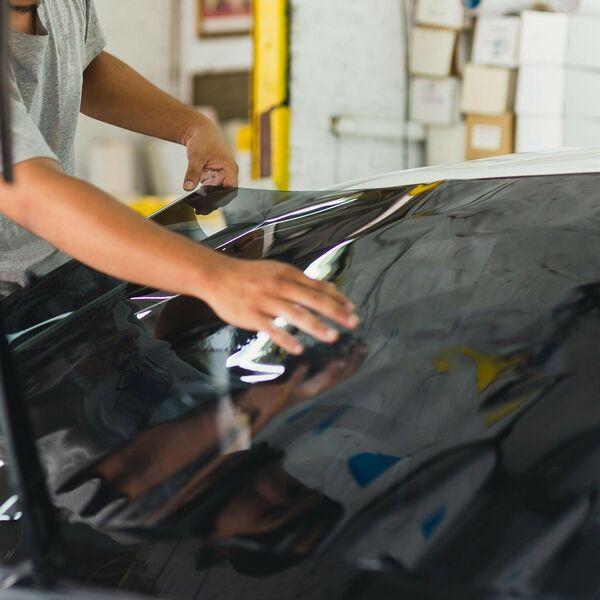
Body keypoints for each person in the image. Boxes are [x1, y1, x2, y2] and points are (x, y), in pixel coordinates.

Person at [0, 0, 359, 355]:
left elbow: (83, 65)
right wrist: (215, 276)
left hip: (62, 281)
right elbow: (30, 193)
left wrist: (192, 127)